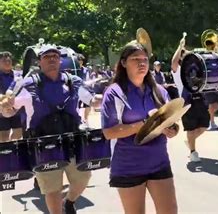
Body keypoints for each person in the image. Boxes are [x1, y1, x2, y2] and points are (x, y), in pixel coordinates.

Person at [3, 45, 91, 214]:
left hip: (72, 140)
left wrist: (100, 99)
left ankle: (70, 201)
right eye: (47, 56)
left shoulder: (73, 81)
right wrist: (6, 108)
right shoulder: (28, 84)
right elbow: (10, 110)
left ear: (60, 60)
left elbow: (91, 99)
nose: (52, 59)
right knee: (52, 188)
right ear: (39, 62)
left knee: (83, 178)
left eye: (55, 56)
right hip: (43, 144)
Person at [101, 42, 178, 214]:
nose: (142, 63)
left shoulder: (159, 91)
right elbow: (109, 132)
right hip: (129, 166)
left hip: (159, 162)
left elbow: (169, 122)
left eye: (144, 59)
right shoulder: (114, 92)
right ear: (123, 63)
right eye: (135, 59)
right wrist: (146, 124)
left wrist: (172, 129)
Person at [171, 37, 209, 162]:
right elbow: (173, 63)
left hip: (200, 101)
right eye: (184, 53)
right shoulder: (178, 71)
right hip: (186, 102)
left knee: (204, 126)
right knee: (191, 129)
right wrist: (180, 46)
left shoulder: (195, 68)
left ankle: (190, 140)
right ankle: (193, 152)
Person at [0, 51, 24, 142]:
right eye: (4, 61)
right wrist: (4, 99)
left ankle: (16, 155)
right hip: (1, 109)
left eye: (9, 61)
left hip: (17, 109)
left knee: (18, 135)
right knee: (3, 136)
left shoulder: (18, 75)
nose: (7, 63)